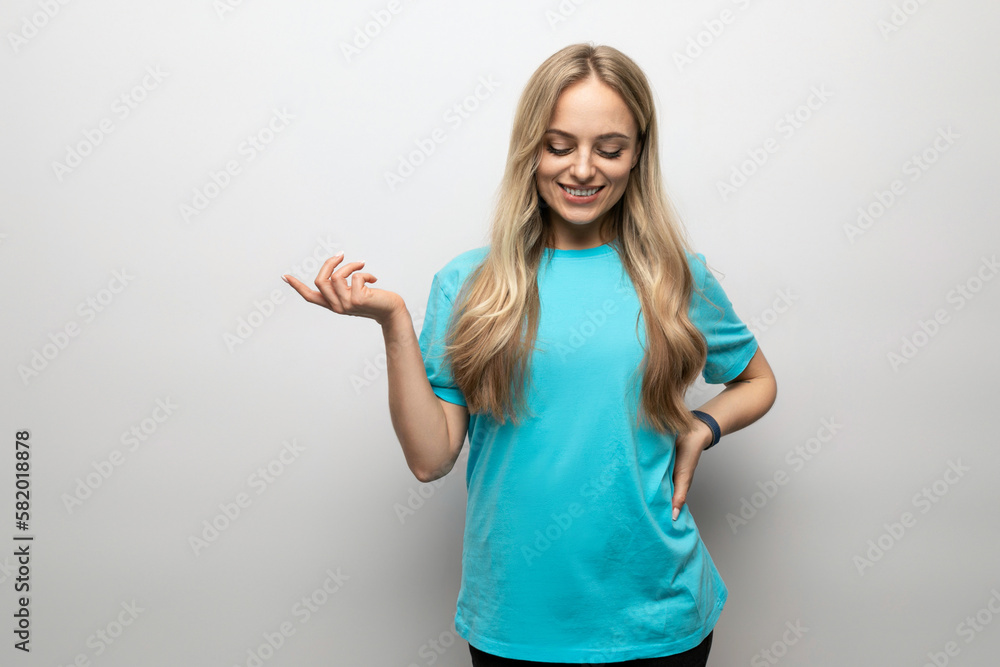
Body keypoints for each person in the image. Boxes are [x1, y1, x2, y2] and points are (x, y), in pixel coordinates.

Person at [283, 42, 776, 666]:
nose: (583, 170)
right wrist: (393, 322)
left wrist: (703, 428)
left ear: (638, 156)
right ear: (530, 150)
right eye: (559, 145)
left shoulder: (676, 277)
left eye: (610, 148)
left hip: (659, 617)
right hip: (516, 622)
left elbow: (757, 381)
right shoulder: (469, 285)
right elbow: (430, 459)